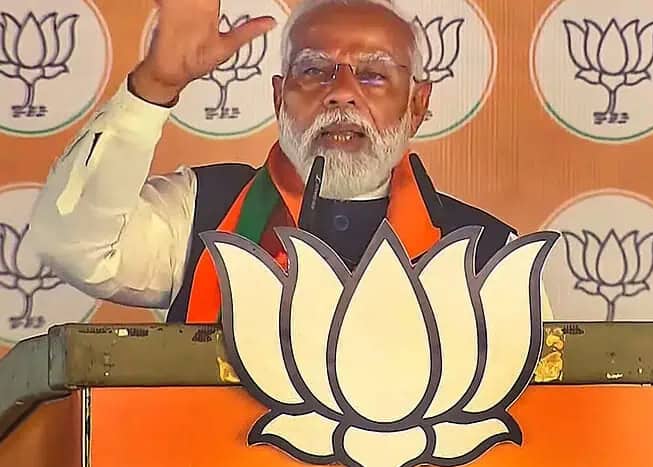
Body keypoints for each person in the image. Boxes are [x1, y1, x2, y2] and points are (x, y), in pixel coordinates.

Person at [28, 0, 554, 323]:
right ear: (279, 98)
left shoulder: (490, 253)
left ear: (417, 105)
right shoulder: (200, 211)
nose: (341, 93)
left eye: (373, 75)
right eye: (315, 71)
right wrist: (154, 87)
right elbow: (72, 245)